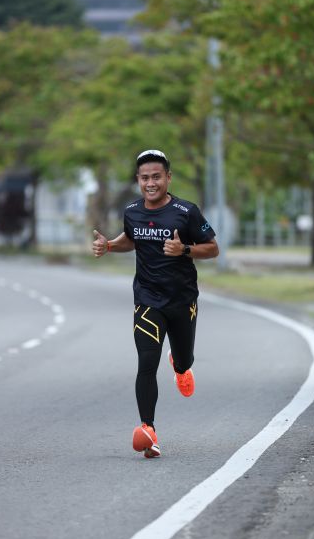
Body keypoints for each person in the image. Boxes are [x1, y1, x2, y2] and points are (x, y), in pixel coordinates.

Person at [93, 150, 219, 458]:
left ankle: (180, 366)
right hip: (147, 300)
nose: (150, 183)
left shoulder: (186, 211)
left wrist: (184, 249)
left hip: (182, 300)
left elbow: (213, 248)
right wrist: (109, 245)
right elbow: (131, 238)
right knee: (147, 363)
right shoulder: (132, 211)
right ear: (138, 180)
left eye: (156, 177)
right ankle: (148, 430)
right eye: (145, 178)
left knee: (185, 359)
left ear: (168, 178)